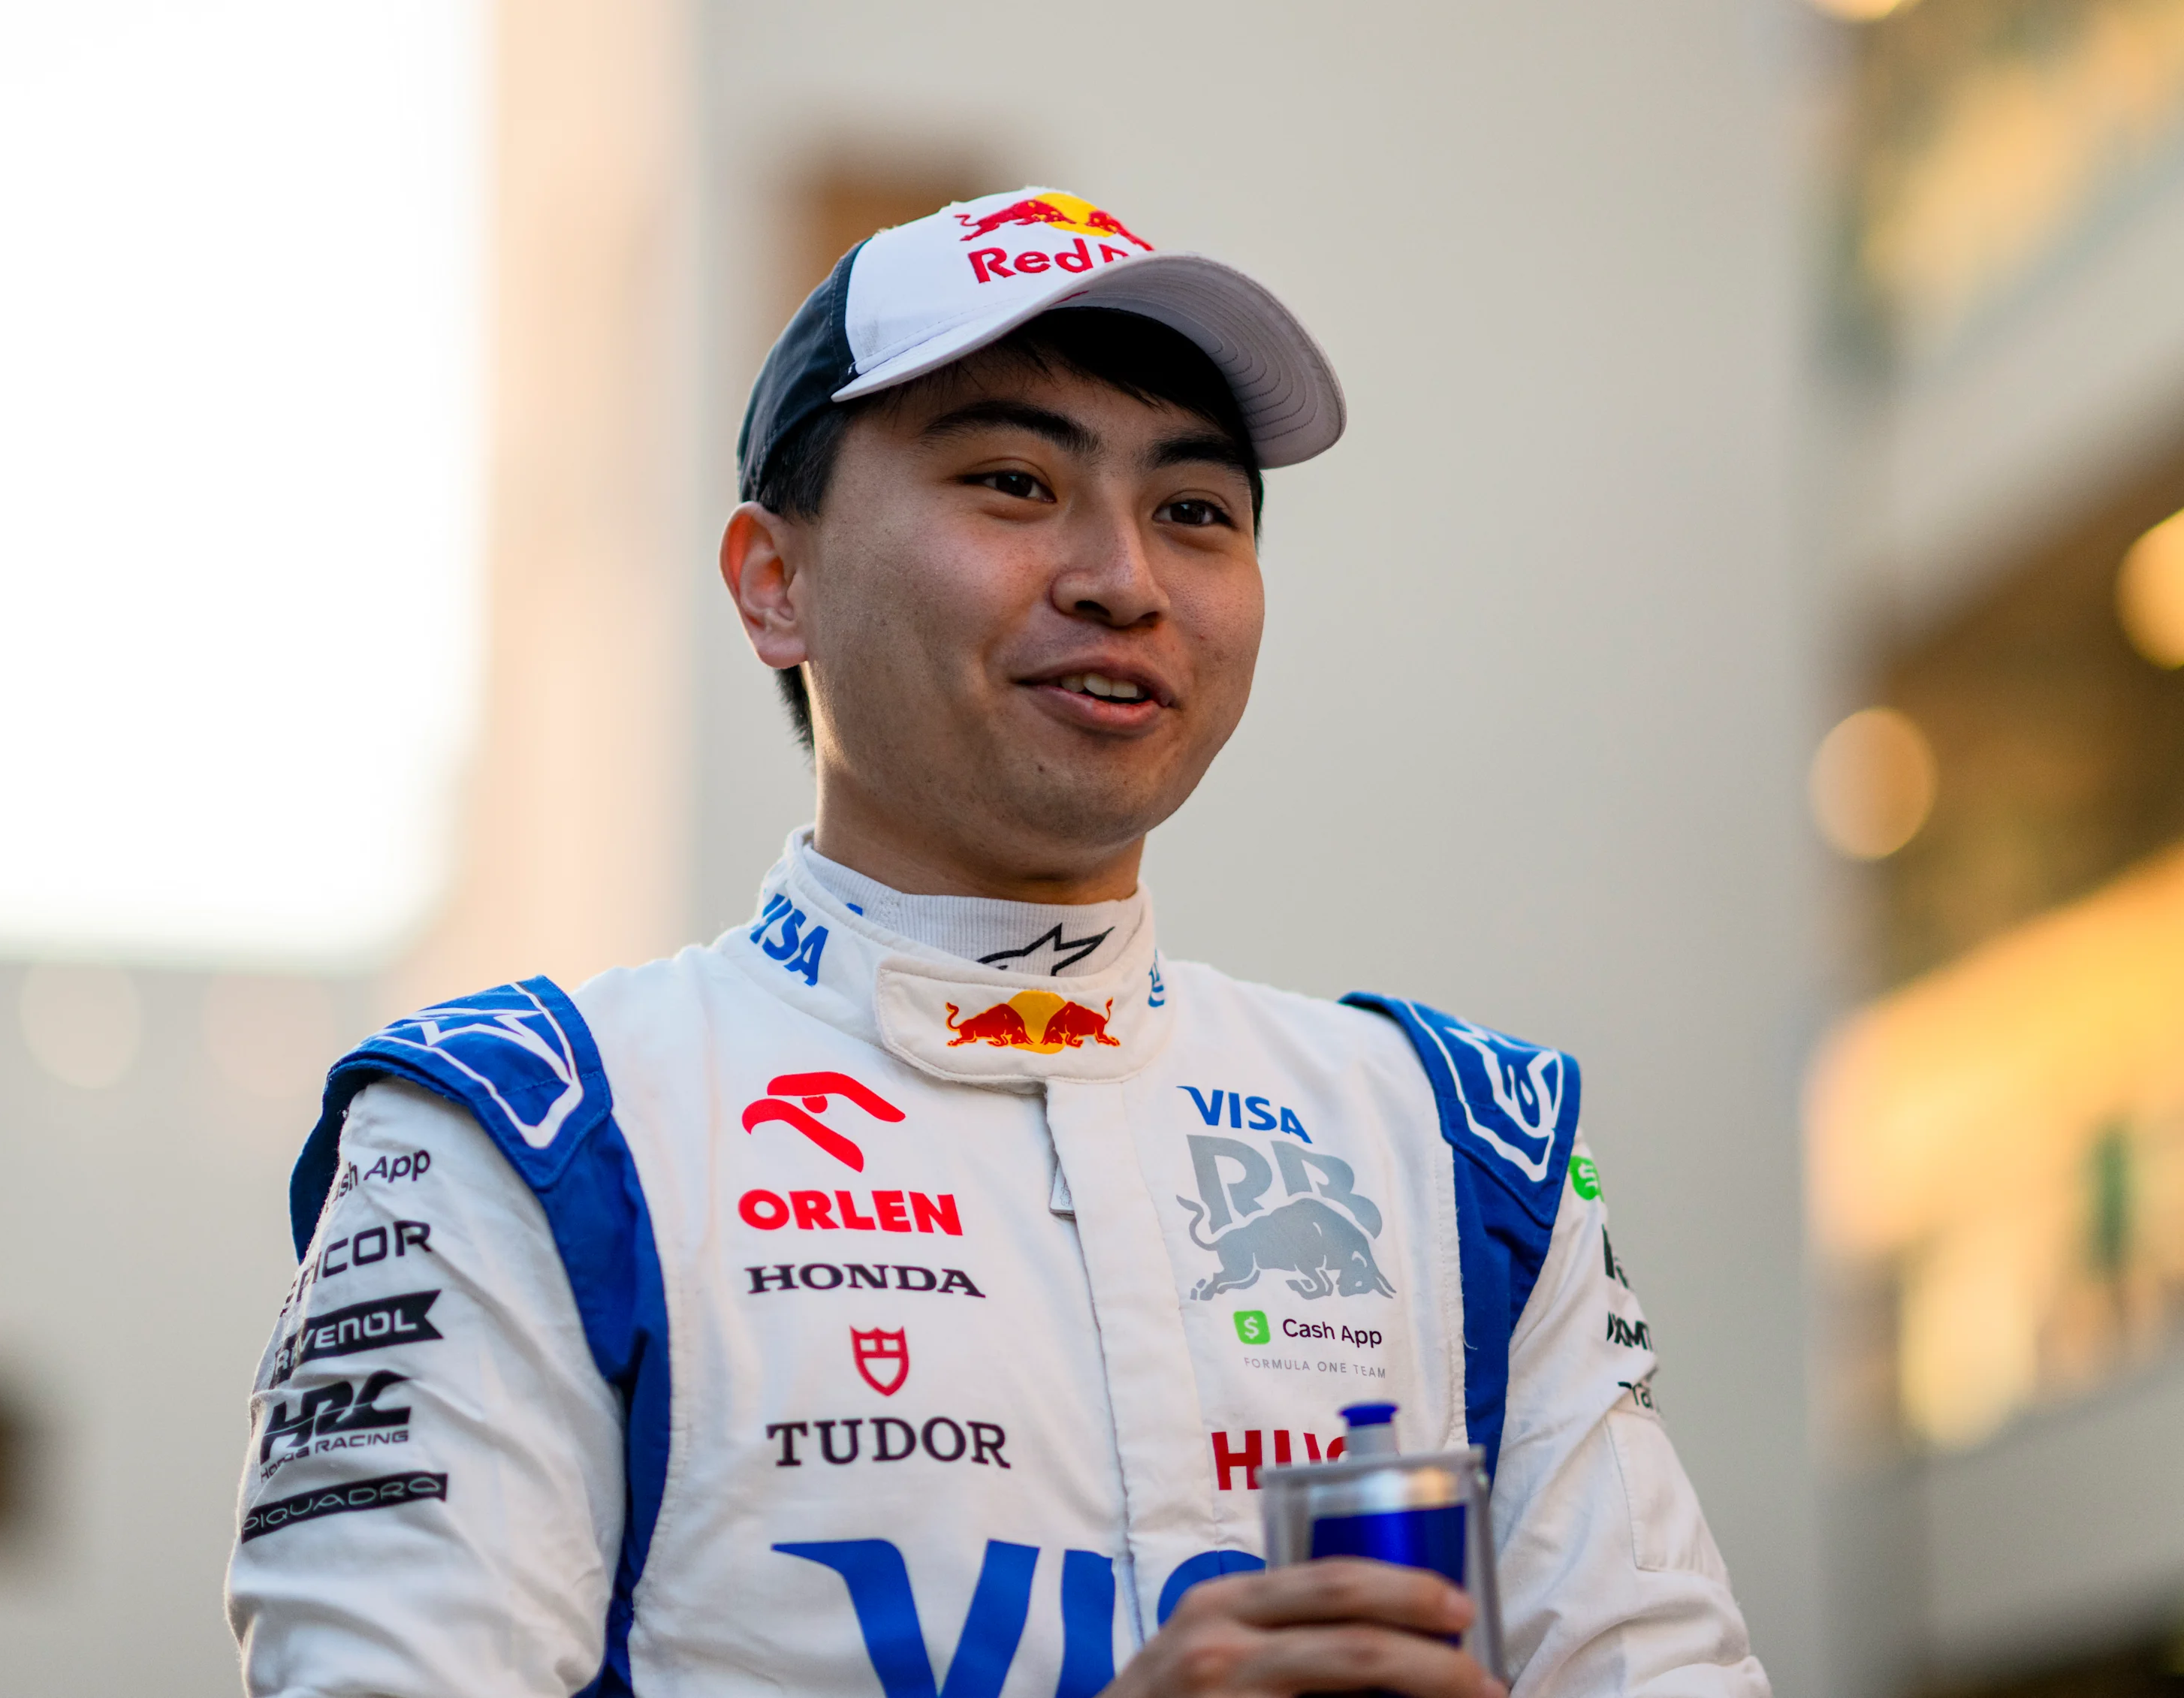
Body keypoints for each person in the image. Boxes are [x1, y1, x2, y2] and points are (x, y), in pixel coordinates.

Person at [226, 186, 1766, 1698]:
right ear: (776, 582)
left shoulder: (1464, 1145)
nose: (1123, 578)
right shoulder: (527, 1129)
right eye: (1014, 483)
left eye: (1195, 511)